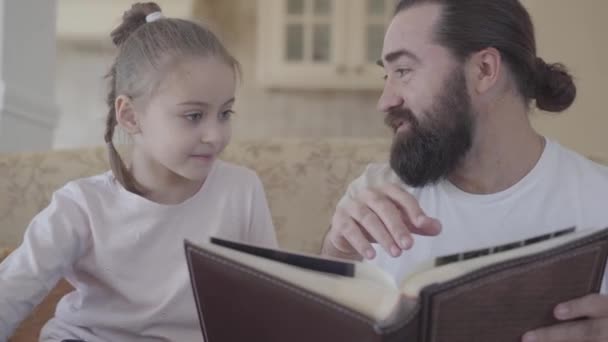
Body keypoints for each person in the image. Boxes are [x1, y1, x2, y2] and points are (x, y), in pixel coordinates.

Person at [321, 1, 608, 341]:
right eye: (387, 75)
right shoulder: (373, 196)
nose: (385, 100)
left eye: (403, 71)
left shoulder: (599, 199)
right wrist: (337, 254)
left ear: (484, 70)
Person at [0, 2, 277, 341]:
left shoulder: (242, 191)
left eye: (225, 113)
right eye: (193, 116)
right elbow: (11, 291)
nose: (216, 135)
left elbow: (269, 304)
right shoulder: (82, 206)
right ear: (130, 116)